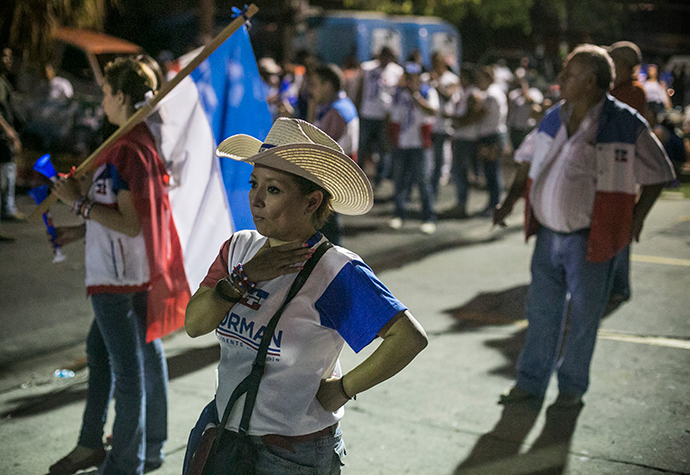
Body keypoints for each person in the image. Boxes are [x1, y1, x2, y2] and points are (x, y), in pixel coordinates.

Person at [184, 117, 428, 474]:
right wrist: (245, 277)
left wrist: (344, 387)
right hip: (223, 433)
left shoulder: (334, 271)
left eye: (273, 190)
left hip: (291, 452)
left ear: (312, 201)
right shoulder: (238, 249)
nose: (256, 199)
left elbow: (407, 338)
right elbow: (194, 324)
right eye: (255, 183)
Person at [493, 45, 675, 408]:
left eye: (568, 74)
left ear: (591, 82)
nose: (560, 80)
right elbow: (527, 161)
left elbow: (659, 172)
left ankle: (571, 391)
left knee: (584, 319)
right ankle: (530, 384)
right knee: (542, 313)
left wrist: (637, 217)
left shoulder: (624, 122)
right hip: (548, 236)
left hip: (591, 240)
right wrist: (510, 200)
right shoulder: (552, 117)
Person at [49, 57, 191, 475]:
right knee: (108, 354)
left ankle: (125, 461)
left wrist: (75, 202)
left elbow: (130, 224)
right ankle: (109, 445)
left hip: (119, 279)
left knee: (128, 372)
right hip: (130, 272)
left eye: (108, 93)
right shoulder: (134, 142)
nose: (103, 100)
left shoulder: (129, 148)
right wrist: (79, 230)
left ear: (124, 97)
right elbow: (124, 216)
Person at [607, 40, 647, 304]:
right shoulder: (621, 90)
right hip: (611, 169)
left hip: (621, 172)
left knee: (619, 229)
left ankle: (618, 285)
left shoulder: (631, 93)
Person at [310, 63, 360, 245]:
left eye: (315, 84)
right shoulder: (337, 106)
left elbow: (315, 146)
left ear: (328, 85)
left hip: (330, 177)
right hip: (333, 176)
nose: (311, 90)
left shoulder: (336, 111)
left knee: (327, 230)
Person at [388, 62, 439, 234]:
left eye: (412, 77)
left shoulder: (427, 92)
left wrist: (416, 96)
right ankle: (399, 214)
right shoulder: (398, 94)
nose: (409, 81)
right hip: (402, 143)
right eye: (407, 77)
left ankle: (428, 217)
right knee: (399, 181)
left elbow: (432, 111)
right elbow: (393, 116)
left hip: (420, 145)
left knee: (423, 182)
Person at [357, 47, 404, 184]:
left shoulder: (396, 71)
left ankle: (380, 178)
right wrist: (357, 106)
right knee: (362, 146)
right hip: (367, 112)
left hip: (385, 115)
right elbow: (361, 88)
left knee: (384, 148)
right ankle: (358, 176)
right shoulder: (367, 68)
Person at [473, 66, 508, 216]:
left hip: (491, 135)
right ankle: (494, 203)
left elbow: (481, 114)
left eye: (481, 78)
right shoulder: (496, 92)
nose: (479, 82)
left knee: (491, 172)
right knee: (492, 171)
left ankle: (495, 205)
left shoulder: (491, 94)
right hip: (494, 133)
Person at [449, 64, 480, 219]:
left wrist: (458, 123)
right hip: (461, 137)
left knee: (460, 170)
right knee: (458, 170)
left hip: (466, 138)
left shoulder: (472, 94)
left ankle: (462, 204)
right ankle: (460, 202)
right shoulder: (464, 93)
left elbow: (473, 116)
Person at [428, 52, 460, 197]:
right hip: (429, 123)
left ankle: (436, 188)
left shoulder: (451, 79)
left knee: (439, 158)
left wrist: (436, 84)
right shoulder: (427, 78)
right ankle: (430, 189)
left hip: (443, 125)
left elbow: (447, 97)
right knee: (429, 159)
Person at [0, 46, 24, 222]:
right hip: (2, 136)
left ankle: (8, 207)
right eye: (4, 56)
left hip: (5, 136)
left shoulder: (4, 81)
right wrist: (8, 130)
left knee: (9, 170)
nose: (9, 60)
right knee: (6, 173)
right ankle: (8, 208)